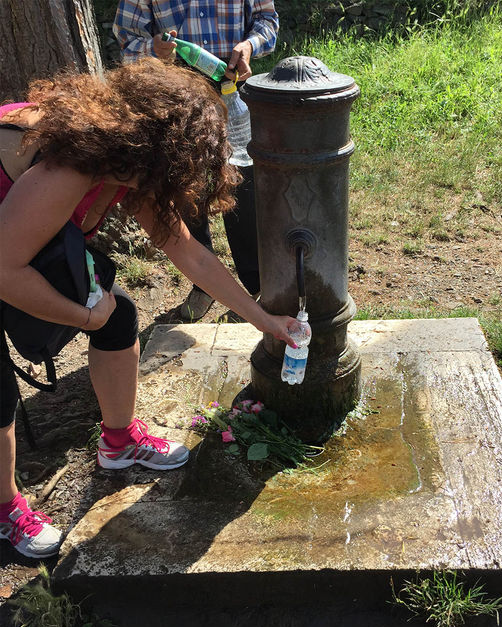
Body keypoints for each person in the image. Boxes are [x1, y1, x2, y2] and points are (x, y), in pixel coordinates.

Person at [0, 58, 296, 559]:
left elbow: (188, 252)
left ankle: (117, 444)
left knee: (120, 317)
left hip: (12, 240)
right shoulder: (71, 162)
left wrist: (263, 318)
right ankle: (5, 509)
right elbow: (5, 270)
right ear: (157, 151)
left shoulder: (123, 158)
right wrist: (83, 317)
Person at [113, 0, 280, 321]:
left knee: (242, 185)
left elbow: (267, 21)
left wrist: (249, 45)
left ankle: (258, 287)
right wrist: (153, 49)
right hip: (172, 93)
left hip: (232, 87)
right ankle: (204, 285)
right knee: (184, 185)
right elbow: (127, 38)